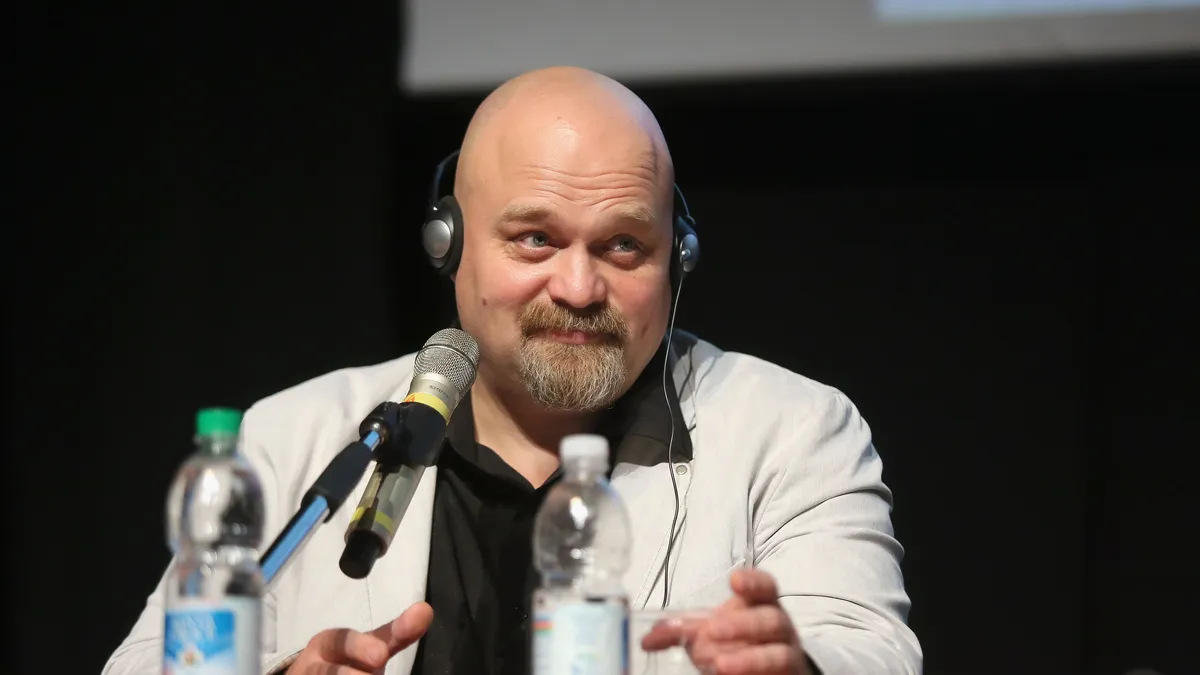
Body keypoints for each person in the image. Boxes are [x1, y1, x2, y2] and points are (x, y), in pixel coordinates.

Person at [103, 66, 922, 675]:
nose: (579, 288)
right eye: (536, 239)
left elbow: (871, 649)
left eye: (623, 245)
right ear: (448, 246)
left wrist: (796, 665)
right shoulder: (295, 436)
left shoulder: (792, 429)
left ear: (677, 258)